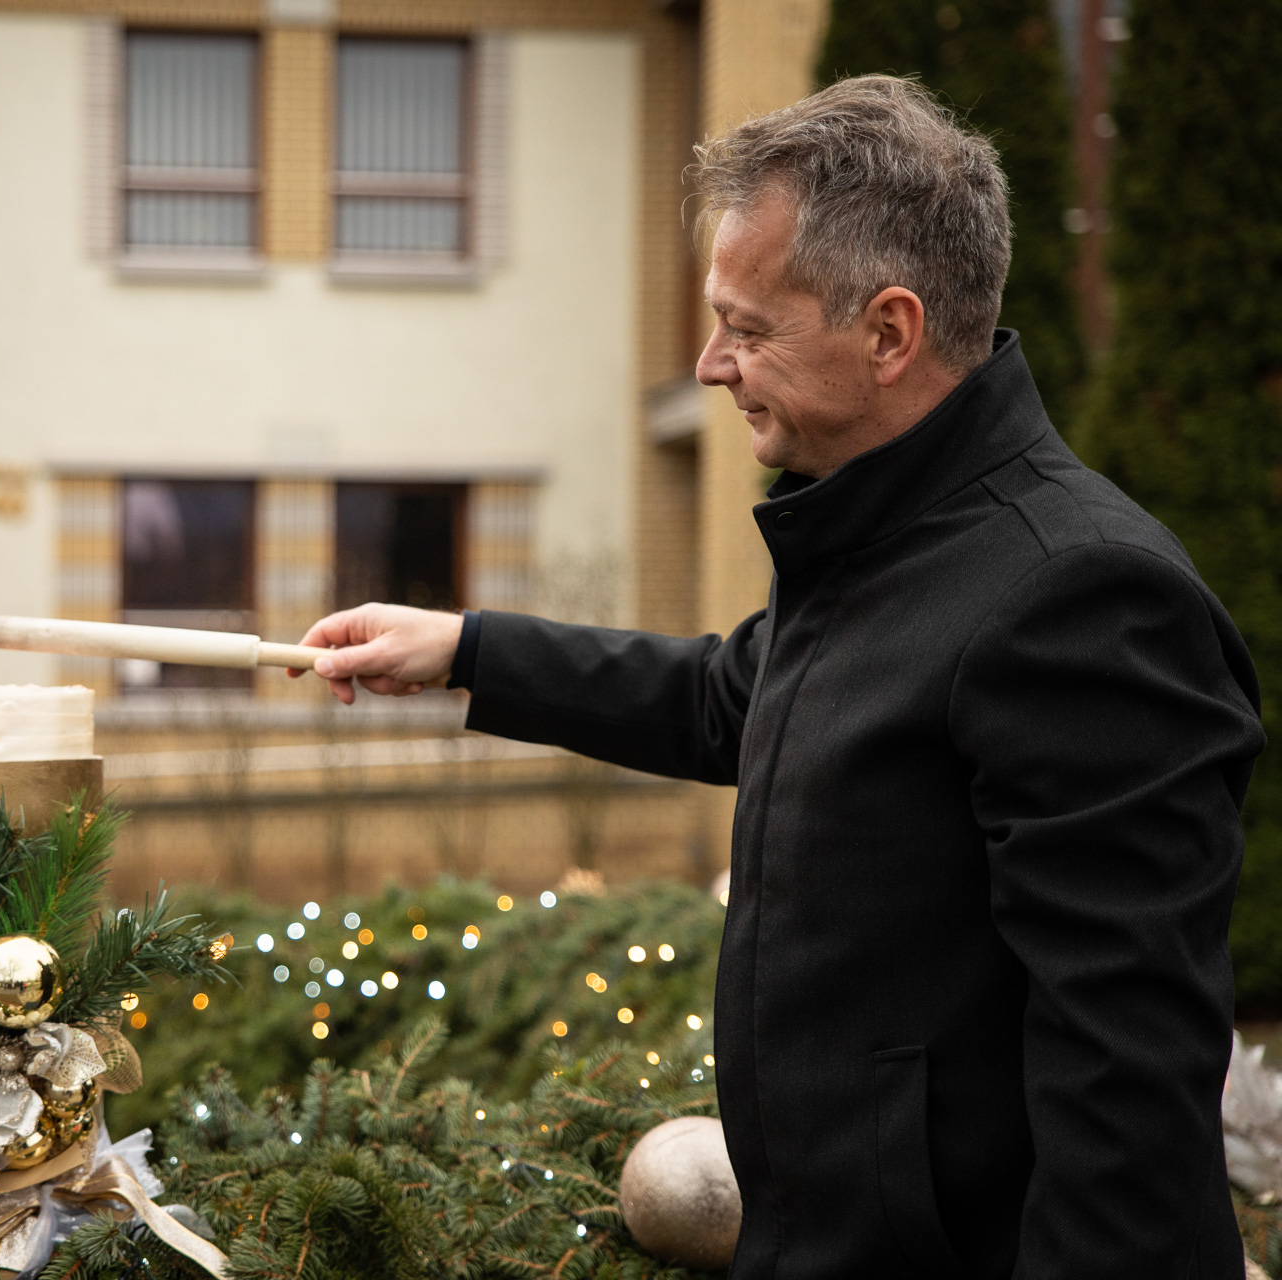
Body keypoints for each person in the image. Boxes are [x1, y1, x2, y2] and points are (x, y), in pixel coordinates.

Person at [297, 76, 1264, 1278]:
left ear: (891, 331)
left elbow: (1126, 1097)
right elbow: (732, 698)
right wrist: (464, 649)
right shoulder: (887, 532)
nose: (712, 366)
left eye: (748, 329)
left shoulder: (1082, 599)